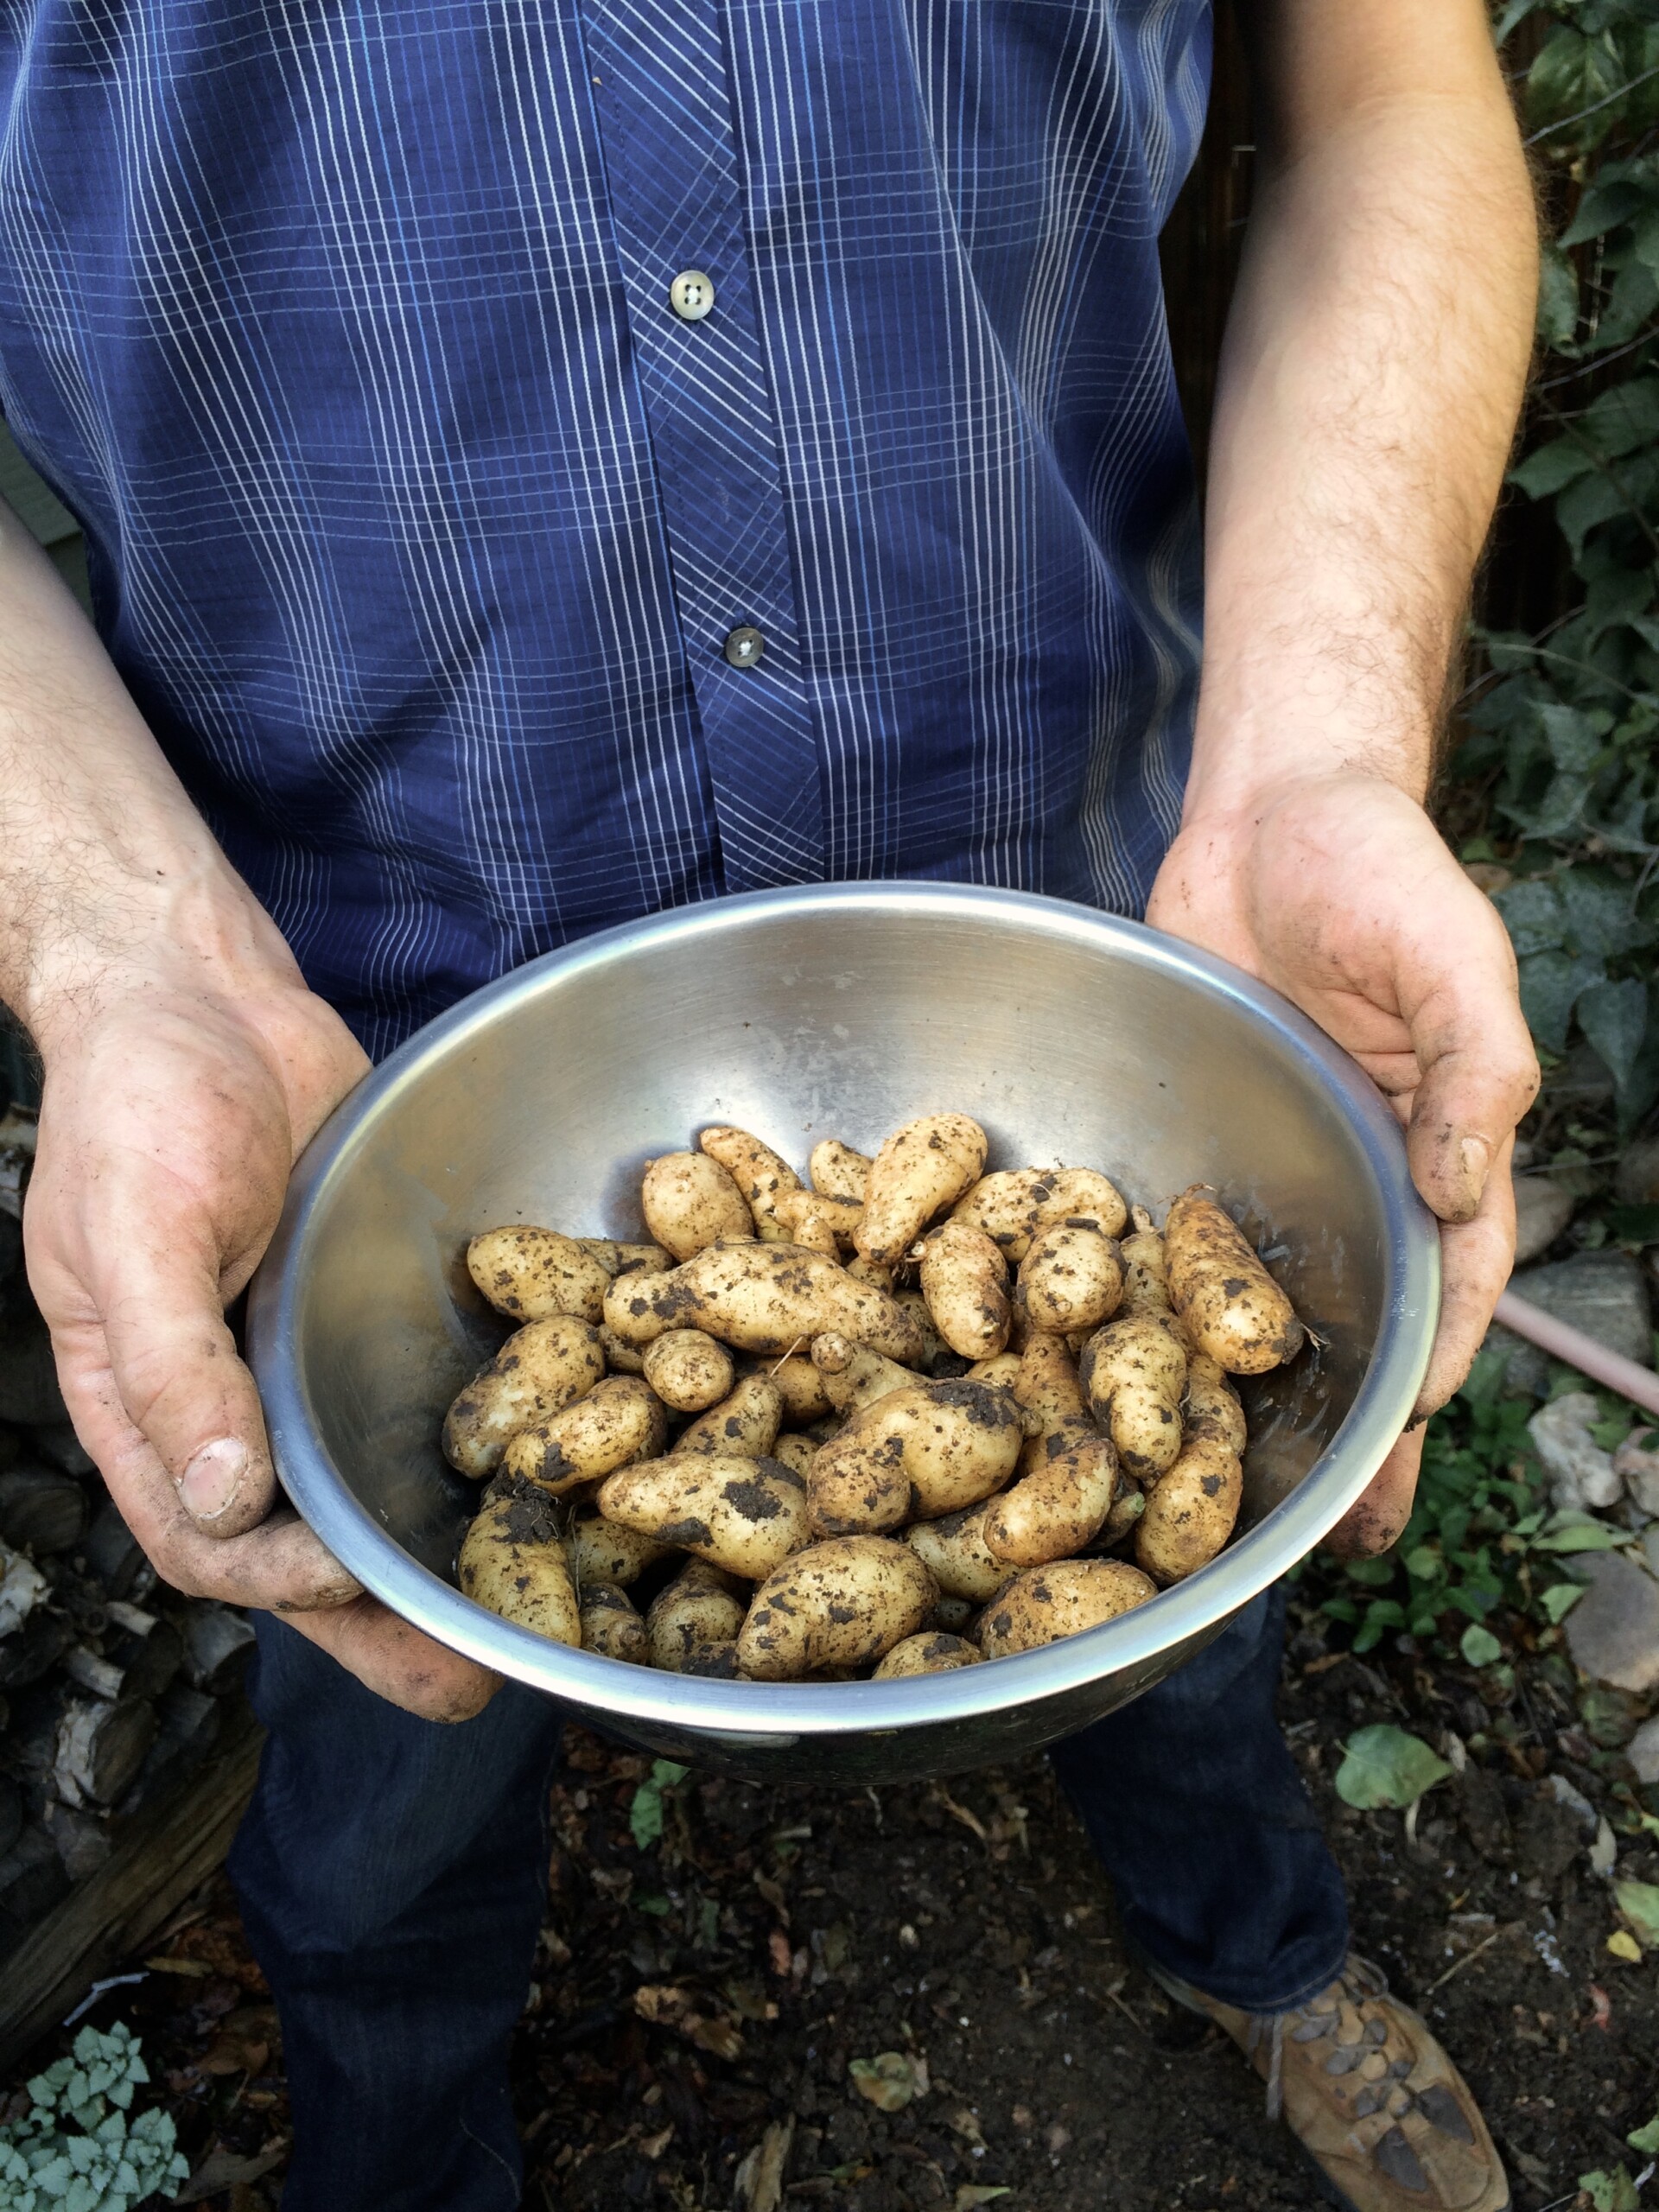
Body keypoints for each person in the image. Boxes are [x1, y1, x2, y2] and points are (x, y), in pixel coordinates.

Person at [0, 3, 1538, 2207]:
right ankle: (398, 2150)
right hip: (339, 1072)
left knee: (1184, 1612)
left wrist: (1320, 749)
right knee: (377, 1786)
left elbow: (1384, 88)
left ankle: (1266, 1957)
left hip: (1126, 950)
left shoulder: (1036, 1285)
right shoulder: (557, 1308)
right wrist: (109, 939)